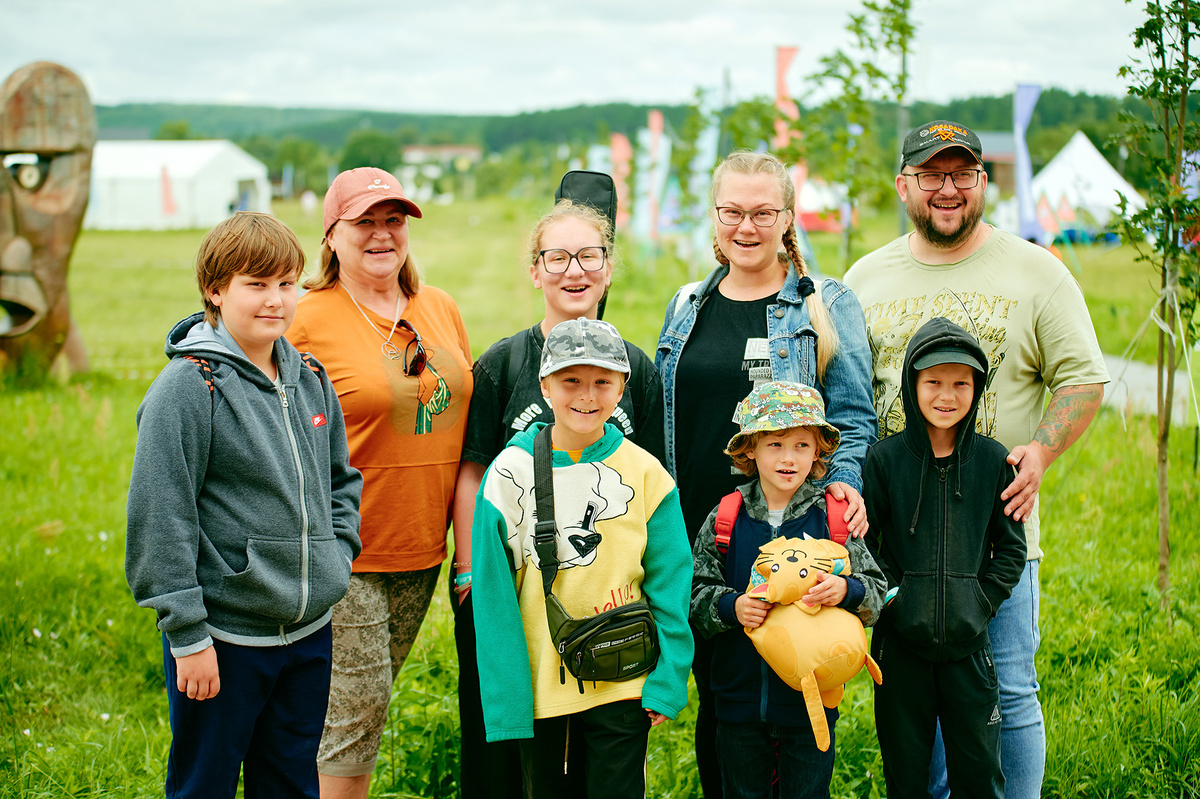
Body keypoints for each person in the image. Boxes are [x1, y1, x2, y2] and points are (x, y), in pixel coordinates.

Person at [843, 119, 1109, 799]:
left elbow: (1083, 378)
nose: (947, 188)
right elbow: (842, 396)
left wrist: (1042, 450)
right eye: (931, 174)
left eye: (962, 173)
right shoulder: (864, 279)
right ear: (903, 184)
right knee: (917, 704)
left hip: (993, 536)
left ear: (983, 181)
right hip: (897, 544)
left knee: (1010, 691)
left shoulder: (1037, 270)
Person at [656, 150, 876, 797]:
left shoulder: (823, 304)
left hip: (786, 540)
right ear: (714, 216)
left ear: (787, 217)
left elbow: (853, 414)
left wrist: (847, 483)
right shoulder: (686, 304)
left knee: (790, 701)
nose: (745, 227)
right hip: (704, 539)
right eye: (731, 211)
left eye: (762, 212)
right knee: (723, 702)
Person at [125, 212, 363, 798]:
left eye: (286, 284)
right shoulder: (189, 387)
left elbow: (341, 481)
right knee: (204, 785)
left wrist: (335, 557)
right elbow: (160, 517)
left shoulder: (310, 378)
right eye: (256, 285)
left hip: (309, 633)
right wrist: (188, 637)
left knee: (289, 783)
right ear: (215, 289)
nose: (275, 300)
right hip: (224, 639)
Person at [450, 198, 665, 798]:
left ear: (608, 268)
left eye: (589, 256)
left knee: (604, 746)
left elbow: (654, 484)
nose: (575, 270)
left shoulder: (635, 369)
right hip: (512, 589)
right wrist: (469, 571)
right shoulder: (504, 364)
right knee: (508, 743)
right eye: (558, 257)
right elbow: (473, 473)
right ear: (535, 270)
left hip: (607, 597)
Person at [286, 167, 473, 799]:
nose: (381, 234)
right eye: (363, 222)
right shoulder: (305, 317)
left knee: (359, 707)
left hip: (422, 548)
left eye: (393, 220)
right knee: (356, 713)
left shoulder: (438, 307)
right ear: (331, 235)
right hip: (345, 550)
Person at [470, 317, 693, 799]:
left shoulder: (646, 473)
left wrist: (670, 677)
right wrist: (508, 702)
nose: (587, 396)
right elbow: (493, 598)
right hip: (542, 689)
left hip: (625, 681)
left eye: (602, 382)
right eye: (571, 380)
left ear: (622, 388)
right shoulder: (508, 475)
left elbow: (671, 580)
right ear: (545, 386)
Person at [691, 381, 885, 799]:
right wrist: (731, 607)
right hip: (740, 704)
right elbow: (695, 594)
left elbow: (876, 592)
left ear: (818, 452)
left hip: (810, 706)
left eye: (801, 445)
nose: (788, 457)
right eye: (775, 444)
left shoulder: (832, 517)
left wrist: (845, 590)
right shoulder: (726, 517)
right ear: (750, 450)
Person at [863, 317, 1027, 798]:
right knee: (906, 780)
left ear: (977, 388)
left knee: (980, 778)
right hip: (900, 653)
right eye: (933, 382)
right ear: (912, 382)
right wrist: (894, 599)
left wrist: (979, 602)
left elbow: (1011, 549)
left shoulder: (993, 462)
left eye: (961, 383)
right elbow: (865, 543)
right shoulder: (884, 460)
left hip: (969, 653)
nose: (947, 395)